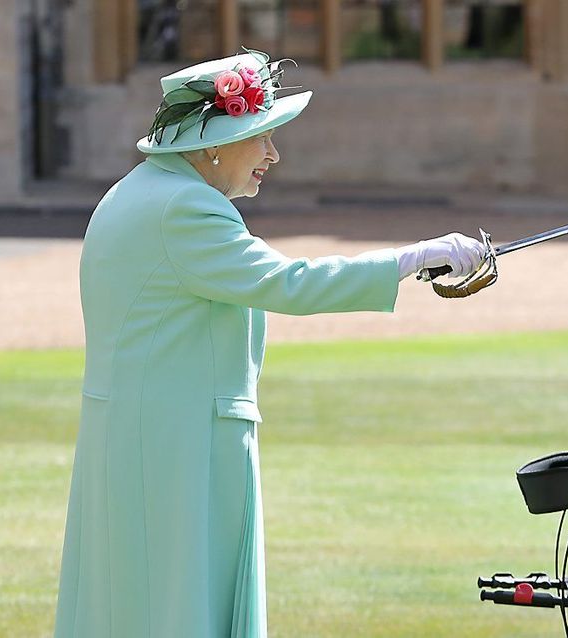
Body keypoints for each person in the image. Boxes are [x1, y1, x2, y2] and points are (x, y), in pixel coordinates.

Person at [53, 50, 485, 638]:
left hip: (144, 434)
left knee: (134, 602)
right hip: (175, 443)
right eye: (260, 136)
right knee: (177, 607)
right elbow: (289, 283)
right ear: (214, 143)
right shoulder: (185, 206)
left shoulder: (139, 191)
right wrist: (412, 258)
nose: (273, 154)